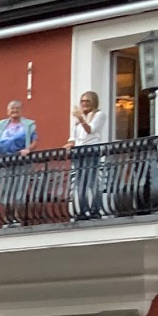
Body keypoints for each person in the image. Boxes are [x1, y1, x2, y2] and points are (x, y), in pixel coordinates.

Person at [69, 90, 109, 220]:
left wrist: (80, 119)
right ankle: (82, 209)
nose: (84, 104)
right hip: (79, 152)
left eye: (87, 101)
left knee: (91, 181)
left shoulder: (99, 115)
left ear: (93, 102)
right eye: (82, 101)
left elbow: (90, 130)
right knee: (80, 182)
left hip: (92, 150)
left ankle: (95, 208)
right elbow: (74, 137)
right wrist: (69, 144)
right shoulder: (80, 119)